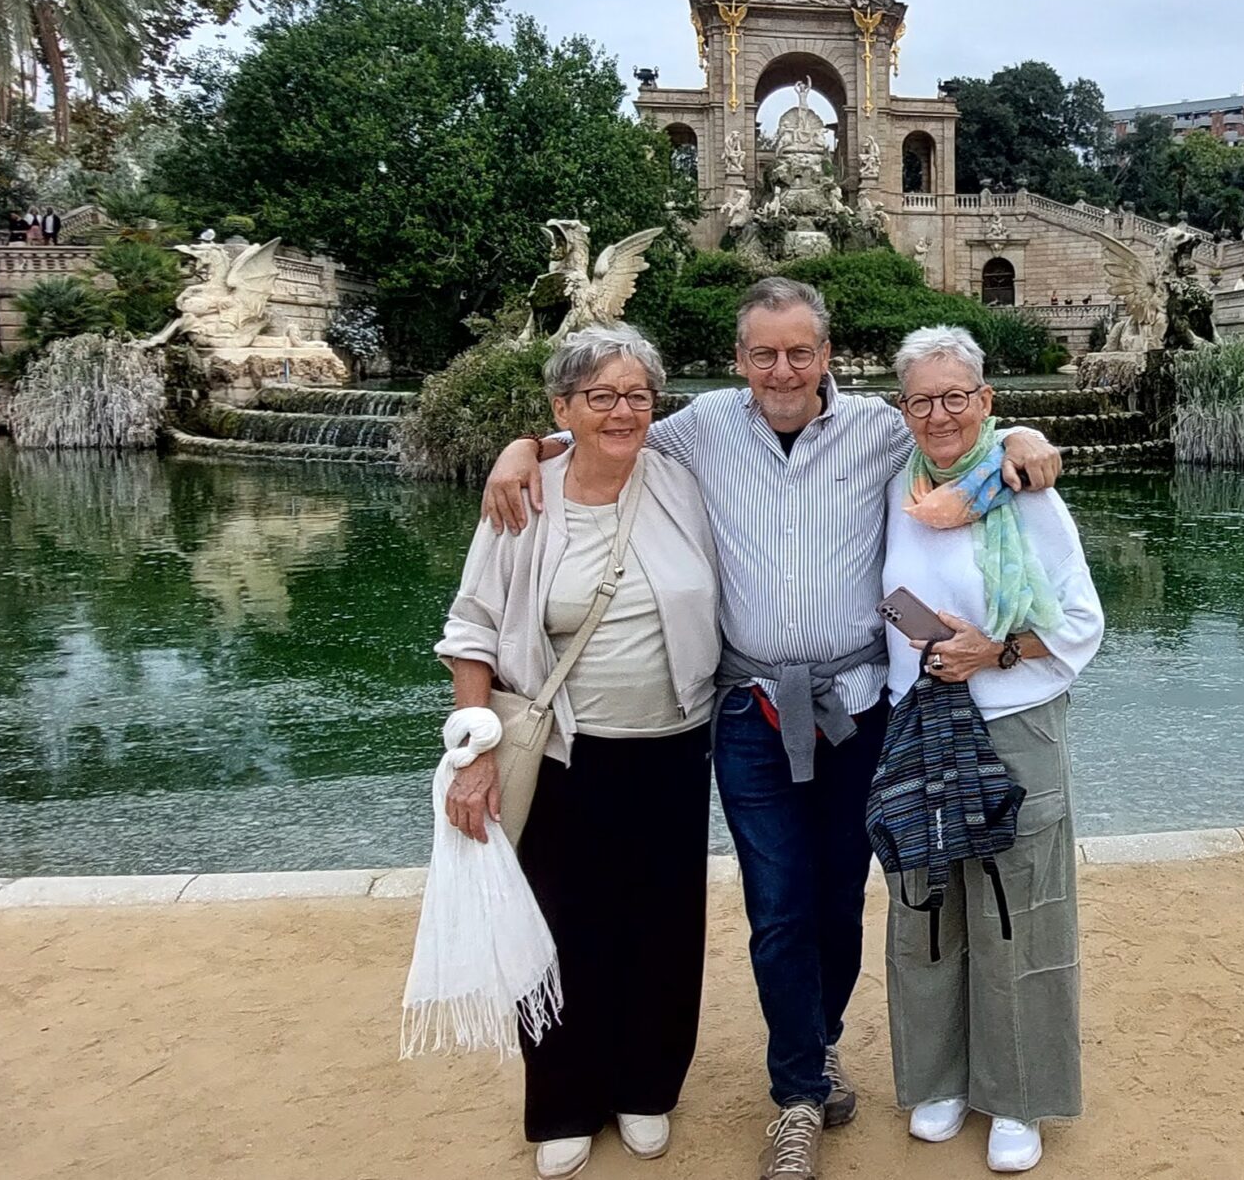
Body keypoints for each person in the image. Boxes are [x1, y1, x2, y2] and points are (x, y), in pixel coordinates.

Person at [484, 279, 1064, 1180]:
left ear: (826, 355)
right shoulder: (701, 429)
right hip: (750, 709)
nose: (782, 369)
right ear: (739, 359)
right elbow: (605, 429)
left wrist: (1024, 433)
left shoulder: (879, 429)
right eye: (764, 353)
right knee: (777, 902)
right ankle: (796, 1092)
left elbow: (960, 434)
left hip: (858, 705)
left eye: (800, 351)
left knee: (839, 897)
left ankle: (818, 1043)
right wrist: (523, 447)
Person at [441, 326, 725, 1180]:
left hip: (674, 744)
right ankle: (565, 1099)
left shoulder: (680, 478)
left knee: (664, 925)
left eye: (637, 394)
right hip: (565, 751)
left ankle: (646, 1085)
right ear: (562, 407)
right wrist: (473, 751)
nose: (622, 411)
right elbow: (472, 626)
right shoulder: (525, 497)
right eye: (600, 396)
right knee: (561, 926)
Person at [876, 326, 1102, 1175]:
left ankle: (1017, 1094)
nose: (940, 415)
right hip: (919, 723)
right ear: (902, 409)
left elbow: (1082, 622)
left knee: (1017, 906)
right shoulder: (895, 487)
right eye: (922, 400)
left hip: (1013, 721)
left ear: (986, 402)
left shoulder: (1025, 493)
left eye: (956, 397)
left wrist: (995, 650)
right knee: (925, 903)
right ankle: (939, 1078)